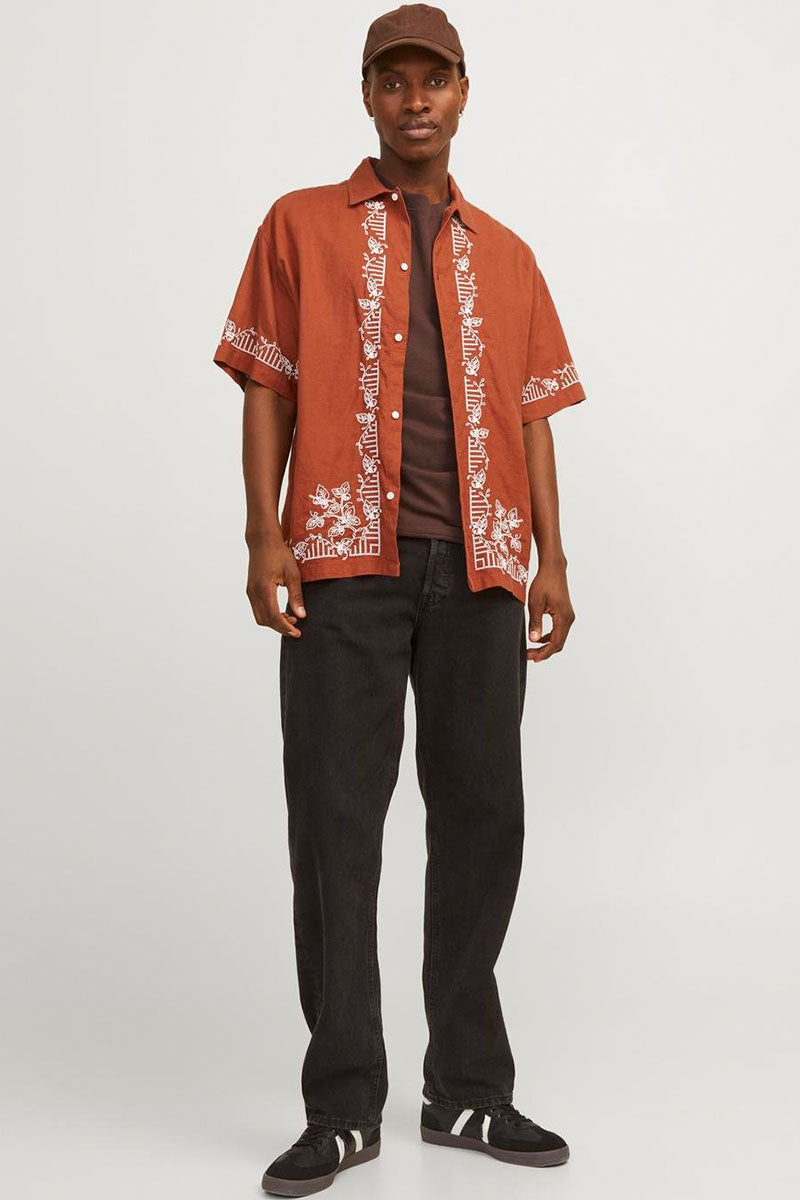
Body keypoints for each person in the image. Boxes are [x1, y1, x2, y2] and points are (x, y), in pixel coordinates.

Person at [212, 5, 587, 1194]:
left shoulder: (508, 255)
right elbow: (266, 382)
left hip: (479, 573)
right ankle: (341, 1109)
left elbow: (530, 416)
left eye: (434, 79)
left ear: (463, 92)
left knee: (483, 822)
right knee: (335, 828)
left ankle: (466, 1090)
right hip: (345, 566)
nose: (413, 98)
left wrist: (551, 559)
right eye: (392, 79)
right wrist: (264, 532)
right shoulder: (299, 224)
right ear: (366, 94)